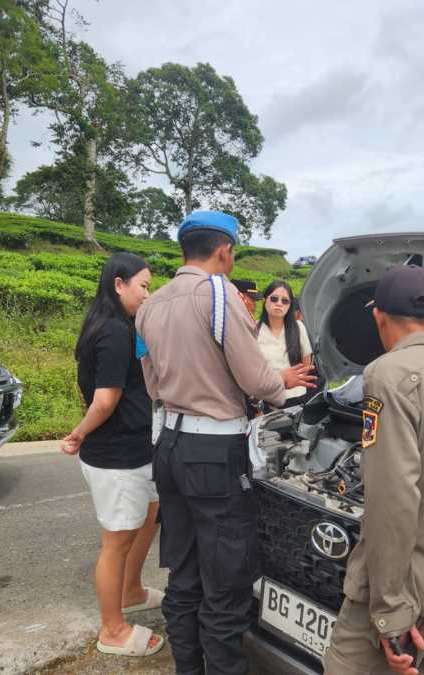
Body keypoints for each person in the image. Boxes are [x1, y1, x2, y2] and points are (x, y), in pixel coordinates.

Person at [137, 211, 316, 675]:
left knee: (184, 574)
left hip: (170, 446)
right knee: (225, 583)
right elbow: (255, 378)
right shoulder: (220, 295)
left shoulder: (150, 305)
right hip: (214, 455)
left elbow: (152, 383)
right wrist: (283, 384)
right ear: (225, 251)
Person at [323, 265, 424, 675]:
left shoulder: (386, 374)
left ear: (378, 316)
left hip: (407, 591)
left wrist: (389, 611)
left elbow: (392, 500)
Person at [59, 252, 165, 658]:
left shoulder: (118, 325)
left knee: (149, 516)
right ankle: (113, 629)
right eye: (143, 286)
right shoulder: (114, 332)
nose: (147, 294)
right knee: (117, 541)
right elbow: (104, 399)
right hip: (116, 453)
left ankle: (131, 590)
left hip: (137, 446)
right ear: (118, 284)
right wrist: (78, 434)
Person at [257, 280, 313, 409]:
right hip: (267, 398)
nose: (279, 303)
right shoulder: (254, 329)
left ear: (290, 305)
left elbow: (306, 361)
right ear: (264, 301)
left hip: (296, 398)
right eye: (274, 299)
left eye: (285, 301)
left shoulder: (299, 327)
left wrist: (297, 381)